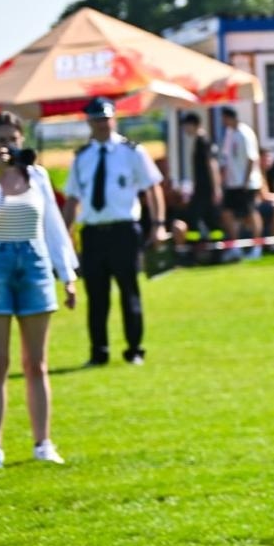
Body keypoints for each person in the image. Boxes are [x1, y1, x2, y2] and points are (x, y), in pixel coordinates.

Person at [0, 112, 78, 468]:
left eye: (14, 140)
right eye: (1, 141)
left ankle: (43, 443)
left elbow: (53, 225)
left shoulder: (38, 175)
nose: (9, 147)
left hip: (34, 265)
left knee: (36, 363)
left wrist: (67, 274)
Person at [63, 95, 165, 366]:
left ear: (114, 119)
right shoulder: (82, 157)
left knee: (129, 292)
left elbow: (152, 187)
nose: (102, 124)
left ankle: (134, 349)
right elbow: (72, 198)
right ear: (89, 122)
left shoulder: (131, 152)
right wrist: (65, 234)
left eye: (106, 119)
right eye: (97, 120)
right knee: (96, 296)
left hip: (123, 231)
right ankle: (99, 352)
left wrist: (158, 225)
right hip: (93, 232)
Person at [217, 106, 264, 262]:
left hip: (247, 183)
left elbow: (252, 158)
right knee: (228, 213)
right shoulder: (229, 133)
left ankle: (257, 247)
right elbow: (226, 158)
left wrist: (245, 180)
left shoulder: (245, 133)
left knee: (251, 213)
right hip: (232, 183)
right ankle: (235, 247)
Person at [179, 112, 224, 252]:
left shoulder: (203, 142)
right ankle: (214, 247)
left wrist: (216, 188)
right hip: (201, 187)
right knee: (209, 218)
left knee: (193, 215)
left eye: (186, 126)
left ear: (193, 125)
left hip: (206, 188)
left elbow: (212, 165)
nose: (185, 130)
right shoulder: (200, 141)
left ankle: (195, 247)